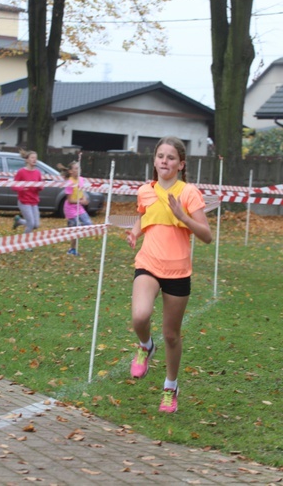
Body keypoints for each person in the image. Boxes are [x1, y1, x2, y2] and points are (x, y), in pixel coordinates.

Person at [125, 136, 212, 413]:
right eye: (160, 156)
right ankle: (145, 346)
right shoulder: (144, 191)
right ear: (154, 161)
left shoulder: (188, 193)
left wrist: (183, 216)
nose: (165, 161)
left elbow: (207, 236)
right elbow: (145, 215)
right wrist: (135, 232)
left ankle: (170, 388)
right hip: (148, 263)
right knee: (140, 315)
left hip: (177, 271)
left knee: (172, 335)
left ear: (181, 164)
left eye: (171, 157)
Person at [58, 161, 92, 256]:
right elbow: (69, 200)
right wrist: (80, 201)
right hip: (70, 209)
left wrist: (85, 199)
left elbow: (82, 192)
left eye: (79, 168)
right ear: (71, 171)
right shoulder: (70, 183)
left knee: (89, 224)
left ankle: (72, 227)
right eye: (76, 168)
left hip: (79, 207)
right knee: (76, 230)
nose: (78, 170)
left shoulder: (81, 180)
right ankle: (72, 249)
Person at [11, 150, 43, 241]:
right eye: (32, 158)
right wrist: (22, 188)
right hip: (24, 201)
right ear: (27, 160)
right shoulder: (21, 172)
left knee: (36, 225)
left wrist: (39, 187)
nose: (34, 160)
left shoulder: (38, 172)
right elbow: (13, 186)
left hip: (34, 201)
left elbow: (40, 185)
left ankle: (19, 221)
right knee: (31, 224)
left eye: (35, 158)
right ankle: (24, 243)